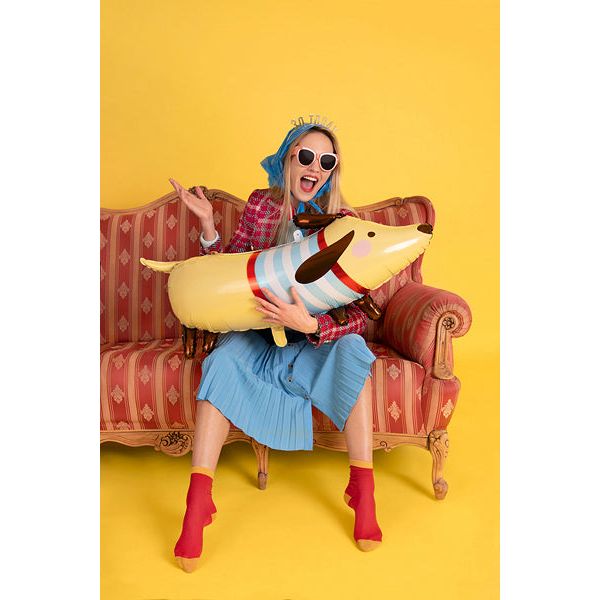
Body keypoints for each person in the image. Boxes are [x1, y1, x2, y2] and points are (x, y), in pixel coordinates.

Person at [169, 119, 382, 573]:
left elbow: (361, 312)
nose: (315, 168)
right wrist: (207, 225)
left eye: (327, 161)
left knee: (354, 353)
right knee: (221, 362)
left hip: (310, 341)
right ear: (287, 159)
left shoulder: (343, 225)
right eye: (306, 156)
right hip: (256, 335)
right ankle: (198, 502)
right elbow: (228, 273)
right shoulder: (261, 206)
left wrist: (311, 324)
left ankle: (363, 491)